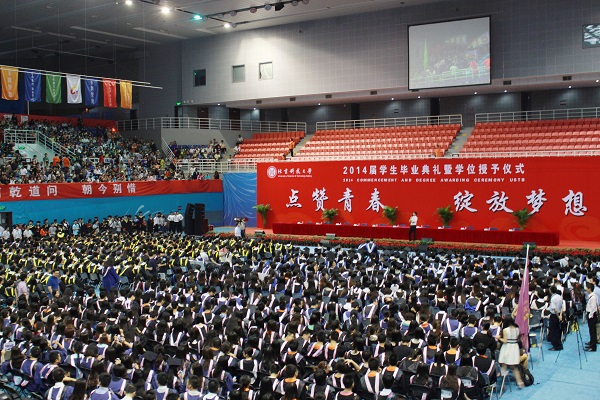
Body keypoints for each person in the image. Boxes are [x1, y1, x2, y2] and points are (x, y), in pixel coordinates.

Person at [497, 317, 523, 388]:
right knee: (514, 367)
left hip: (507, 347)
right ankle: (519, 382)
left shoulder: (505, 330)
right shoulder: (517, 329)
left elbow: (505, 341)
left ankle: (502, 384)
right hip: (514, 347)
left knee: (504, 365)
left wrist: (499, 338)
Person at [547, 285, 564, 351]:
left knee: (553, 331)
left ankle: (556, 346)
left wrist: (558, 316)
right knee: (557, 330)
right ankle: (559, 344)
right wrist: (560, 315)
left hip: (555, 315)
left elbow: (554, 309)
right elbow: (562, 307)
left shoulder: (553, 298)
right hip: (559, 314)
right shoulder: (560, 296)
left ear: (551, 291)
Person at [585, 283, 598, 352]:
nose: (586, 289)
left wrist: (590, 316)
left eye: (587, 288)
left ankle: (593, 347)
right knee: (591, 330)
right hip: (591, 315)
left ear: (589, 289)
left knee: (592, 331)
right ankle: (591, 343)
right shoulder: (592, 296)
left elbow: (593, 308)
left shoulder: (593, 297)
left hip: (592, 316)